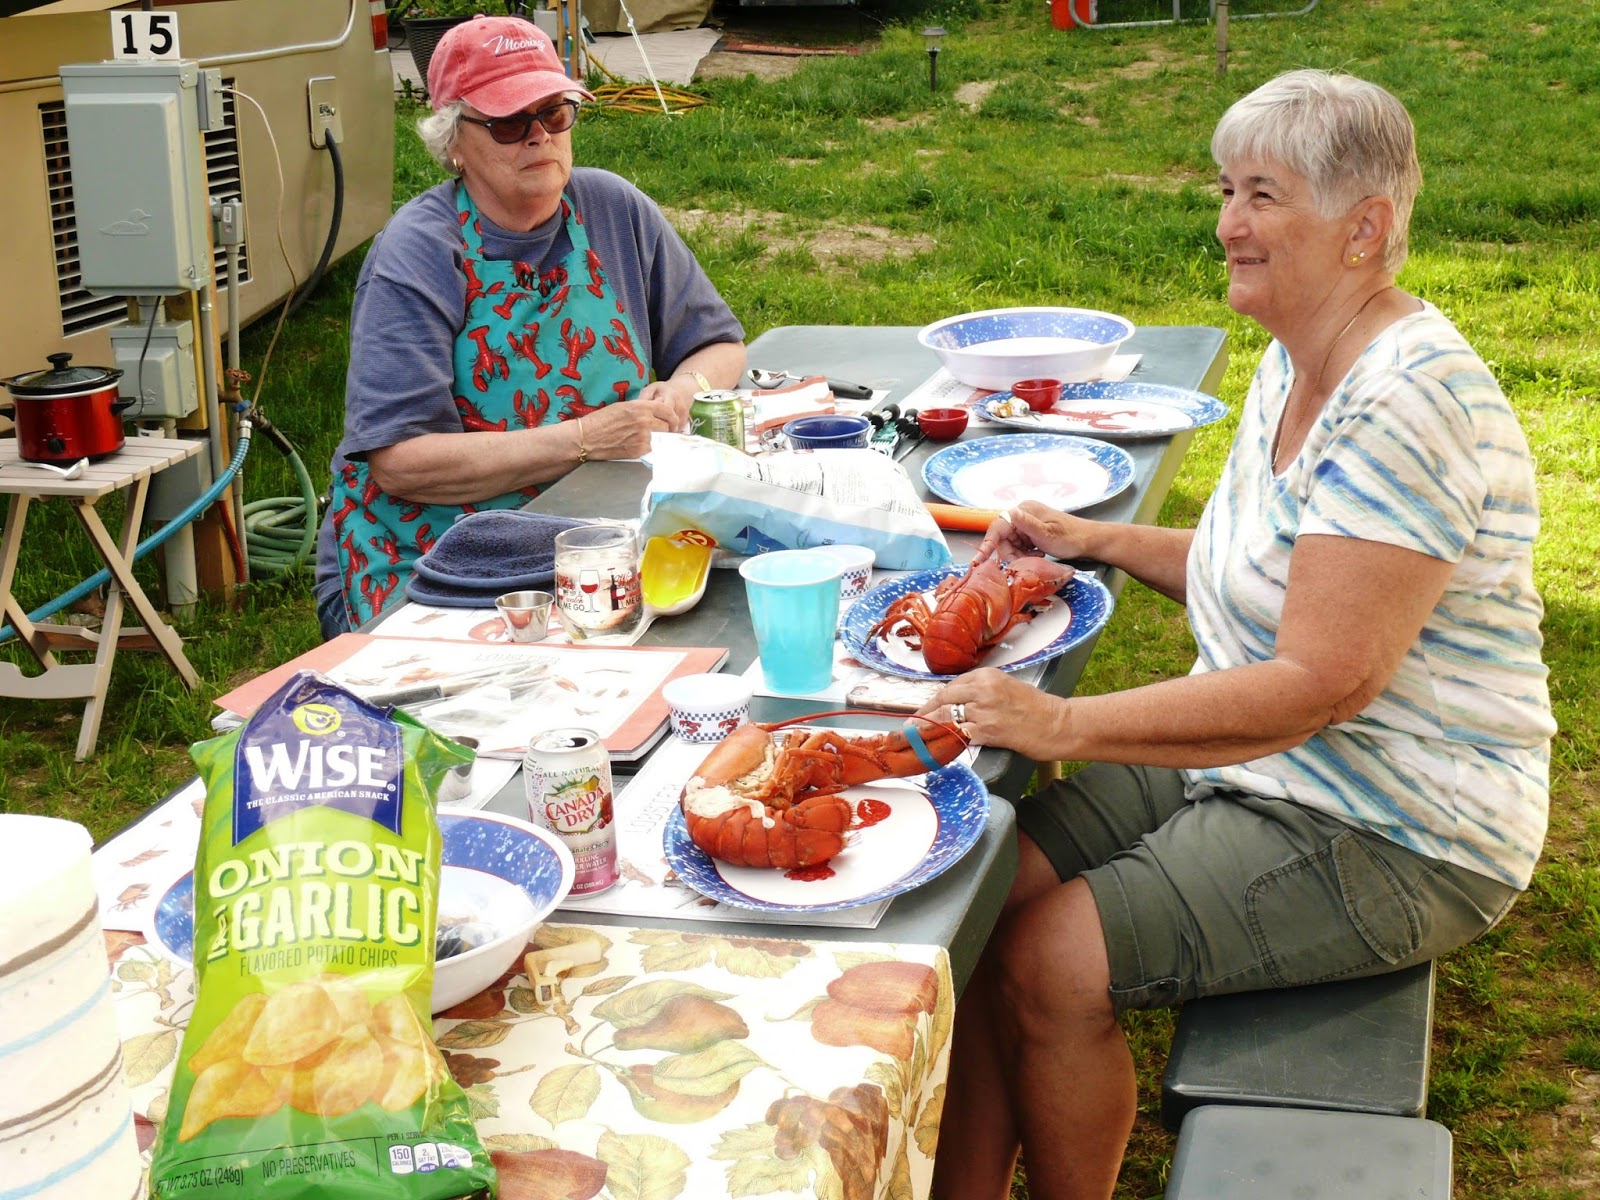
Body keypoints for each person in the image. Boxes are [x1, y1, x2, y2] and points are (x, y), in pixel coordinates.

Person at [925, 70, 1554, 1200]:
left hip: (1401, 818)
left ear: (1366, 228)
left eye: (1261, 194)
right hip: (1276, 764)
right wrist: (1093, 540)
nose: (1226, 222)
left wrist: (1060, 720)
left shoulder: (1403, 404)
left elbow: (1317, 680)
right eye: (1225, 188)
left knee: (1044, 963)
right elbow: (1267, 578)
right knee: (978, 896)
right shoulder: (1295, 354)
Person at [313, 15, 745, 635]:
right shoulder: (419, 251)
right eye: (511, 122)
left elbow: (717, 344)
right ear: (453, 141)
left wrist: (683, 391)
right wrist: (584, 440)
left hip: (593, 541)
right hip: (431, 560)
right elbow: (400, 462)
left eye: (555, 114)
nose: (539, 137)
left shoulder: (613, 209)